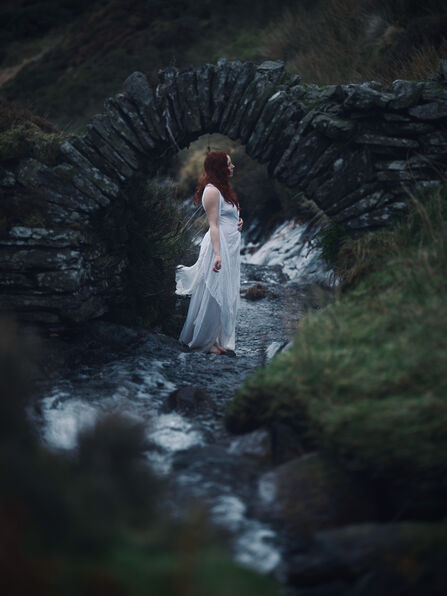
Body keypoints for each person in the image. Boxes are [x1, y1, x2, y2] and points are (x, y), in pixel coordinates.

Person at [176, 150, 243, 354]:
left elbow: (230, 215)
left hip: (230, 247)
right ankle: (206, 341)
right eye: (229, 164)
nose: (232, 167)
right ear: (219, 167)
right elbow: (213, 225)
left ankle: (216, 338)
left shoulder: (224, 189)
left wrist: (240, 221)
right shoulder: (212, 191)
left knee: (225, 291)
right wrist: (217, 254)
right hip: (219, 245)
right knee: (214, 292)